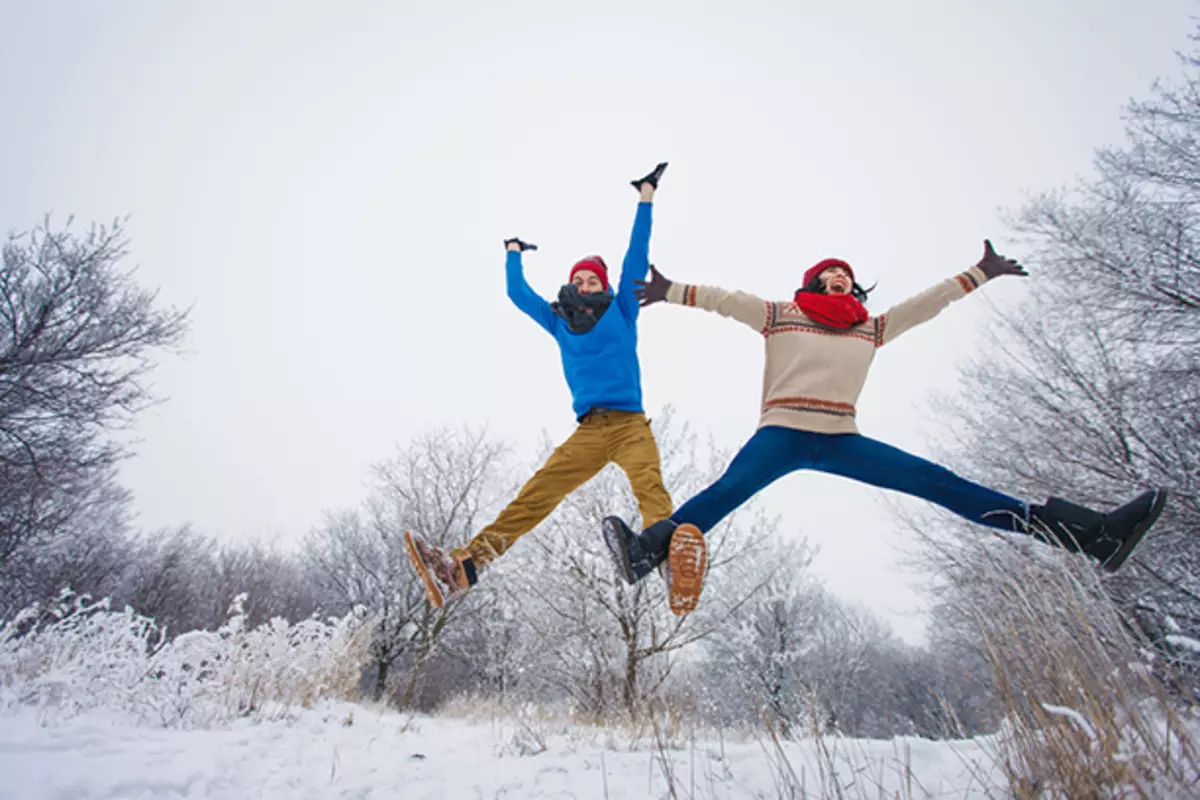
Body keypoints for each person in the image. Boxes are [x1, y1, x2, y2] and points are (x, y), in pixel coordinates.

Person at [602, 243, 1168, 601]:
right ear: (813, 282)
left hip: (843, 439)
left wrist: (978, 273)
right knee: (728, 491)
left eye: (846, 275)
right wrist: (669, 290)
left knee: (943, 485)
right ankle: (644, 554)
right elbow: (728, 300)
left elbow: (924, 306)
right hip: (782, 432)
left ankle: (1089, 537)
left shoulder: (869, 328)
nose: (840, 279)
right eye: (830, 274)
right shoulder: (780, 315)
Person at [405, 162, 707, 615]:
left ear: (604, 286)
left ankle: (670, 569)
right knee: (536, 495)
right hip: (588, 431)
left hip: (629, 425)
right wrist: (512, 252)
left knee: (650, 487)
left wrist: (646, 198)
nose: (585, 285)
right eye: (579, 279)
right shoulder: (559, 321)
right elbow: (517, 294)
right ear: (571, 284)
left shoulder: (623, 307)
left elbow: (636, 254)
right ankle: (462, 568)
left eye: (592, 281)